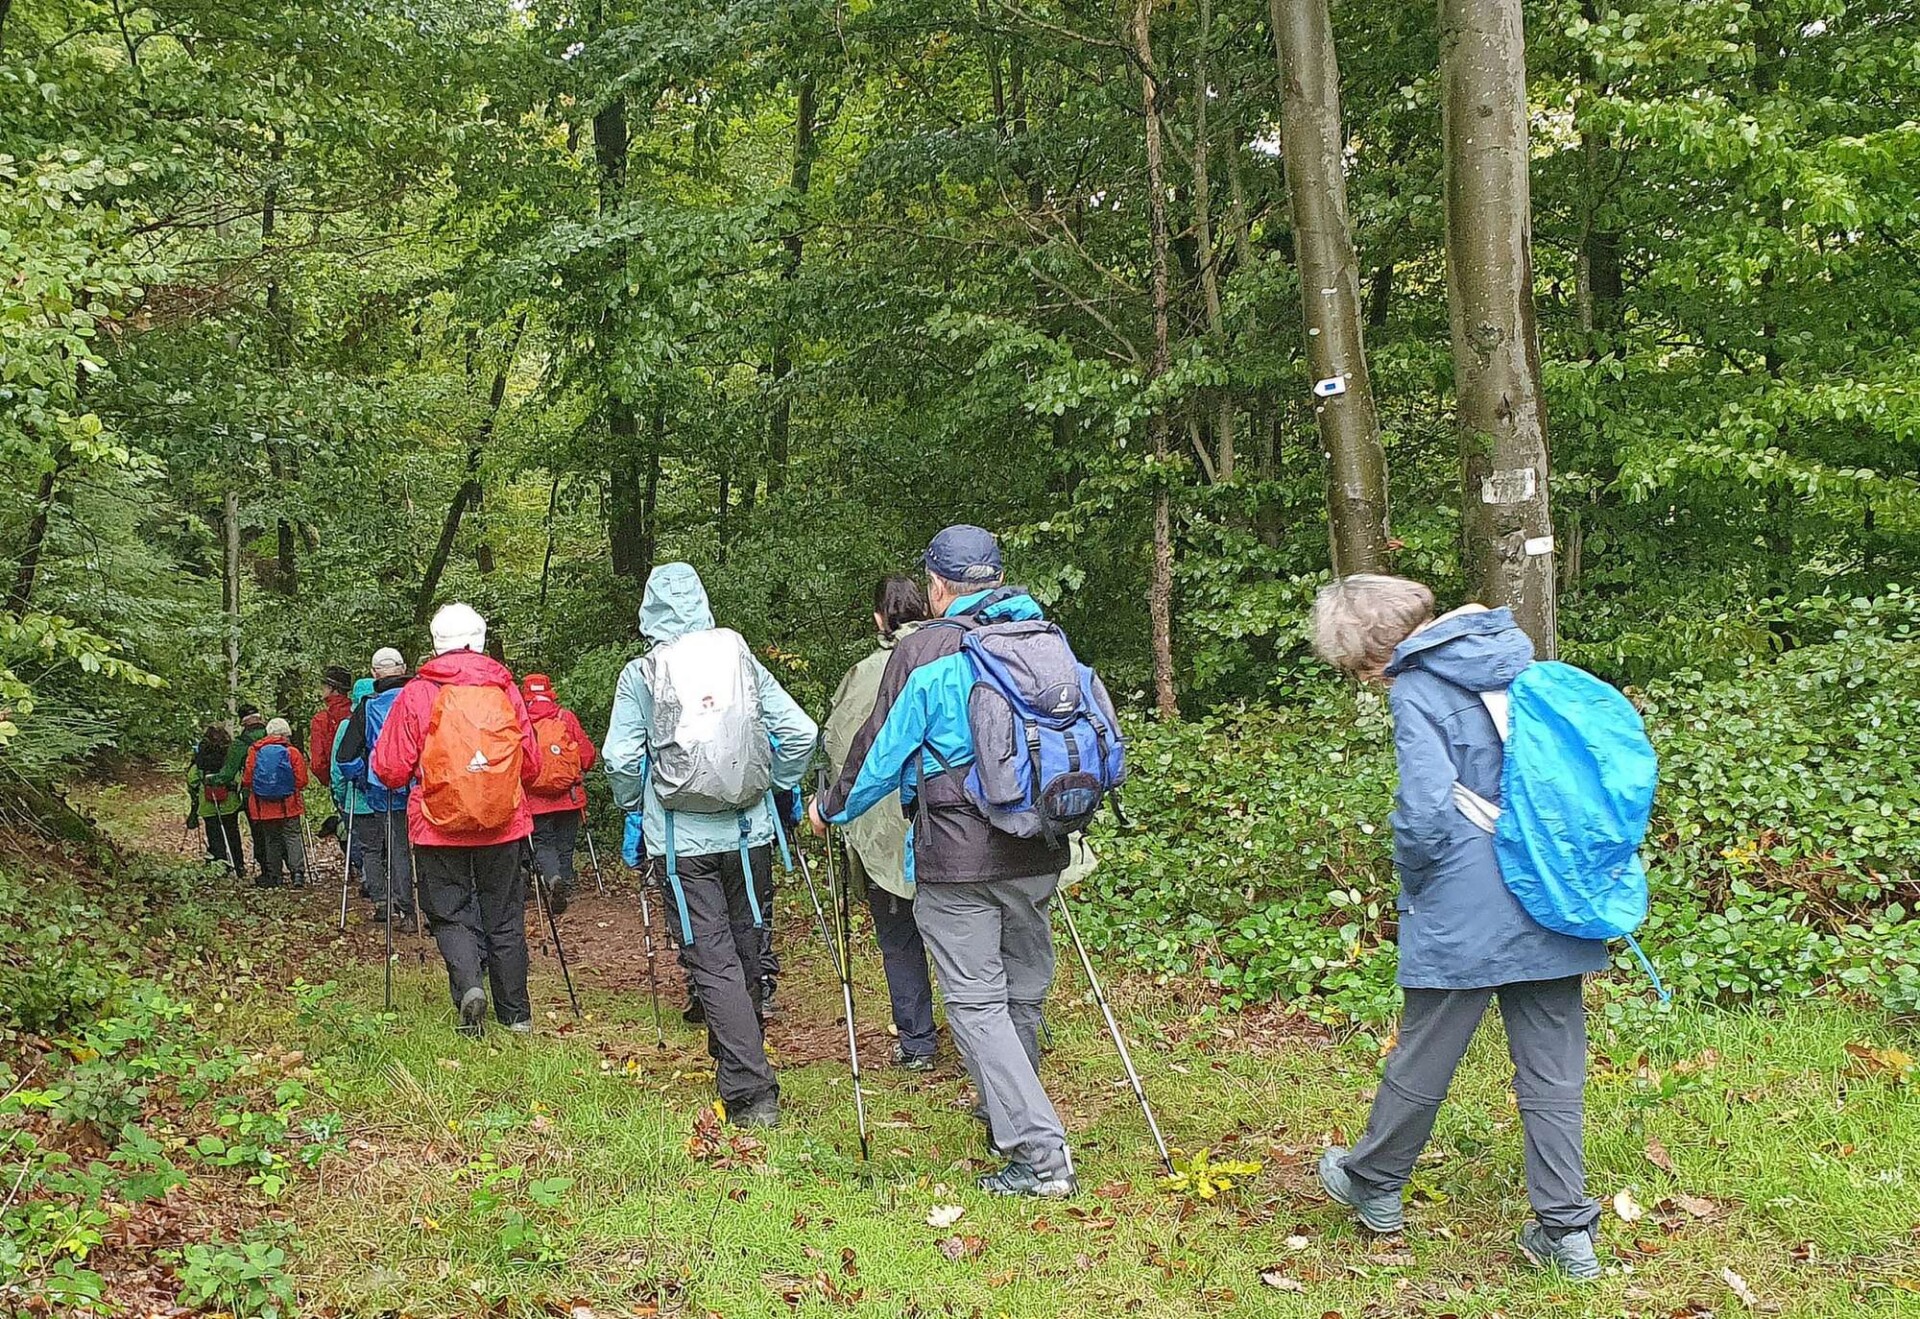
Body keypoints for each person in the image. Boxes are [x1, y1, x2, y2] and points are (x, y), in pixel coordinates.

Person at [1308, 576, 1606, 1281]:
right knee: (1552, 1070)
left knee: (1426, 1051)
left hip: (1468, 894)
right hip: (1548, 885)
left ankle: (1375, 1181)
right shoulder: (1514, 658)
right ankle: (1568, 1233)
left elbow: (1425, 810)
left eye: (1356, 668)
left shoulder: (1418, 686)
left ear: (1369, 653)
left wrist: (1415, 878)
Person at [810, 526, 1088, 1198]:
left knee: (976, 1004)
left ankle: (1041, 1155)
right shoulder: (1044, 639)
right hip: (1040, 845)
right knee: (1022, 991)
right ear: (997, 578)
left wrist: (829, 808)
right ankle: (1006, 1116)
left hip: (959, 859)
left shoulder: (925, 652)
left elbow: (881, 753)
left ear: (937, 586)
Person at [603, 563, 817, 1129]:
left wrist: (634, 805)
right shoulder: (738, 657)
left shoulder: (642, 674)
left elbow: (620, 759)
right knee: (746, 948)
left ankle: (751, 1090)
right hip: (750, 835)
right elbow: (801, 733)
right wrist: (775, 784)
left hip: (682, 842)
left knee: (712, 958)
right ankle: (738, 1055)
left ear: (649, 611)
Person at [372, 605, 542, 1039]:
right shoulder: (504, 688)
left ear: (436, 643)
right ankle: (516, 1015)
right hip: (503, 823)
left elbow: (390, 769)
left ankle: (469, 987)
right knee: (504, 916)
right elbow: (532, 765)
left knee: (450, 913)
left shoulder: (417, 693)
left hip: (437, 824)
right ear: (479, 640)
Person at [822, 575, 938, 1071]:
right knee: (971, 932)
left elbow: (839, 748)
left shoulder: (865, 675)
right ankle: (999, 1035)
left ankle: (917, 1044)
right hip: (956, 825)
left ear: (878, 619)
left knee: (899, 937)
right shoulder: (958, 654)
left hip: (884, 828)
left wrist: (832, 806)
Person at [332, 659, 418, 931]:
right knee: (426, 849)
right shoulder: (420, 696)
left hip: (384, 790)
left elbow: (344, 758)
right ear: (403, 668)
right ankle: (435, 909)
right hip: (422, 787)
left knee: (397, 850)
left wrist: (364, 778)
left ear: (374, 673)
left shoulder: (368, 706)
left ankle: (406, 912)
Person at [521, 673, 598, 915]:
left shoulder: (520, 721)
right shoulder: (565, 717)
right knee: (565, 843)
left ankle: (552, 877)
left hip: (535, 799)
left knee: (543, 843)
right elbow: (587, 755)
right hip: (568, 797)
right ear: (550, 692)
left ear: (526, 694)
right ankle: (565, 881)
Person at [241, 717, 310, 888]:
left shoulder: (255, 751)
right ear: (286, 734)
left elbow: (247, 779)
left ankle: (275, 876)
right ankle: (298, 874)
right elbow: (302, 781)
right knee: (293, 836)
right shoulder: (292, 752)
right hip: (289, 805)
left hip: (264, 807)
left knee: (272, 839)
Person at [213, 705, 269, 877]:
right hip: (279, 792)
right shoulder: (273, 735)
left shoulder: (240, 743)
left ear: (243, 721)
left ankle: (260, 870)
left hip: (251, 793)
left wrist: (212, 779)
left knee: (257, 831)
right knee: (273, 831)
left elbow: (228, 773)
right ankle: (278, 869)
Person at [186, 724, 245, 873]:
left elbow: (192, 779)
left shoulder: (201, 758)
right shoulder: (230, 756)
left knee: (214, 835)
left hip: (207, 803)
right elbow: (238, 778)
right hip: (229, 802)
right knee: (232, 834)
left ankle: (220, 866)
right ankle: (238, 865)